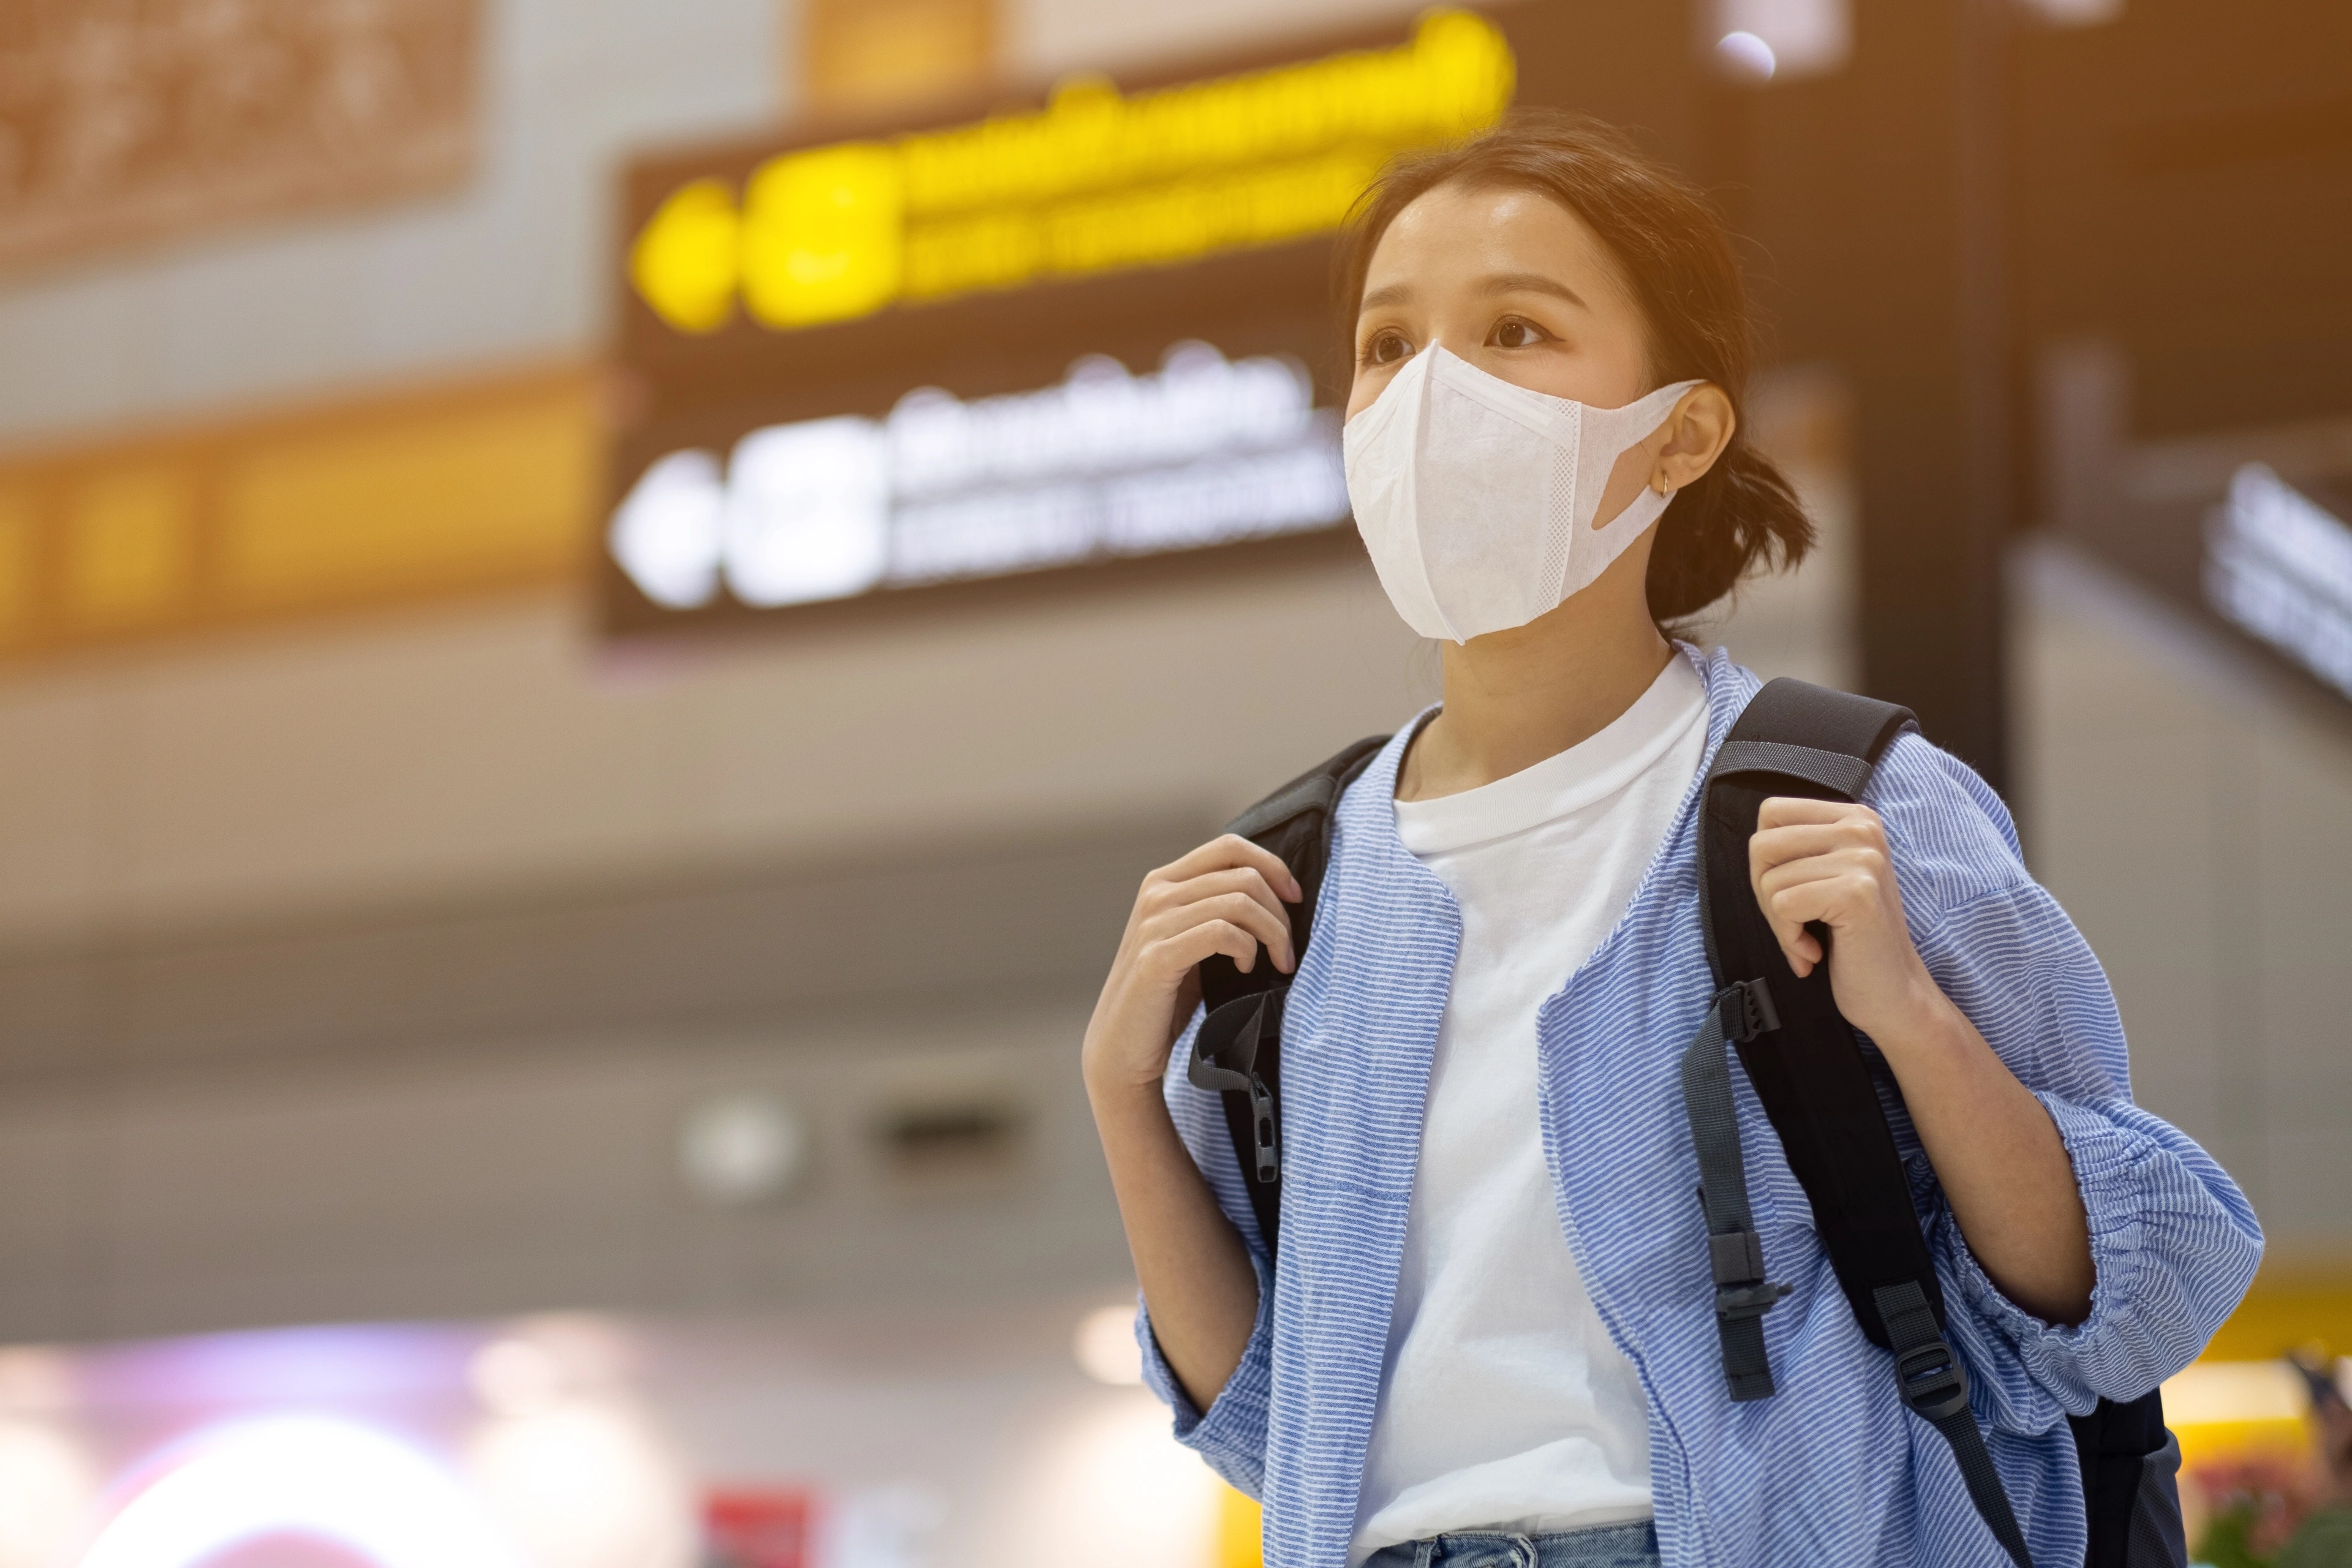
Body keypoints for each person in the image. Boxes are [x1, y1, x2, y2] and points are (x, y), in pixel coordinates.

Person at [1081, 113, 2263, 1568]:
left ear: (1681, 434)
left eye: (1514, 330)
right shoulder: (1296, 882)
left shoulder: (1848, 800)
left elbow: (2118, 1298)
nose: (1432, 390)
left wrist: (1910, 1014)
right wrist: (1124, 1095)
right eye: (1388, 346)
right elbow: (1273, 1421)